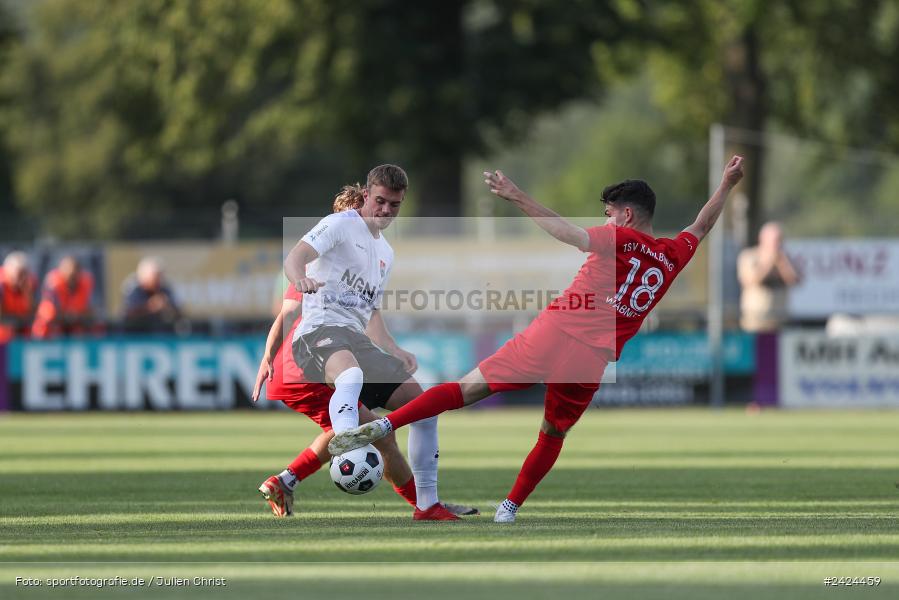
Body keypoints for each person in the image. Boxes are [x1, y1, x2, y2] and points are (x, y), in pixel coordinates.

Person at [329, 156, 746, 523]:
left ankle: (385, 423)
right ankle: (509, 508)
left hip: (555, 333)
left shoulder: (618, 237)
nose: (605, 221)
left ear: (626, 215)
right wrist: (726, 185)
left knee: (465, 390)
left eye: (608, 214)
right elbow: (703, 224)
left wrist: (517, 196)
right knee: (552, 433)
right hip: (591, 359)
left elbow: (565, 232)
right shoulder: (674, 254)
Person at [254, 184, 476, 518]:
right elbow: (287, 314)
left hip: (322, 361)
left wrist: (393, 349)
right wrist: (268, 357)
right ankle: (425, 506)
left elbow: (370, 315)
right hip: (301, 372)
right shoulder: (325, 261)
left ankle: (285, 481)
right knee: (376, 436)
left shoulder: (370, 259)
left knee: (355, 427)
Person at [738, 222, 800, 332]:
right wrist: (769, 262)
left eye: (780, 240)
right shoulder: (749, 256)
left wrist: (782, 263)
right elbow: (751, 281)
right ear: (762, 239)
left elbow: (794, 280)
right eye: (775, 240)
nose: (778, 244)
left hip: (779, 321)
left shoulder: (785, 259)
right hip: (755, 321)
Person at [32, 255, 96, 338]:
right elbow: (50, 314)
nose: (73, 278)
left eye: (75, 273)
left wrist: (77, 316)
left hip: (75, 327)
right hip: (51, 331)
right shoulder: (53, 284)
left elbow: (90, 312)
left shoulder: (86, 283)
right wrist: (70, 315)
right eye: (70, 274)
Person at [122, 257, 181, 332]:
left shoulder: (165, 289)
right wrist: (150, 307)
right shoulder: (133, 289)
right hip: (135, 333)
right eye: (155, 277)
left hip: (160, 334)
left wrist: (167, 307)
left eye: (159, 276)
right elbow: (128, 314)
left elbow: (178, 312)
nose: (158, 280)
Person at [0, 251, 38, 344]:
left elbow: (34, 314)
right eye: (20, 274)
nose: (23, 278)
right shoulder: (1, 286)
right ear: (8, 271)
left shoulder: (29, 285)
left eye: (25, 274)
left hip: (22, 338)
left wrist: (27, 293)